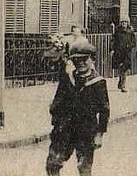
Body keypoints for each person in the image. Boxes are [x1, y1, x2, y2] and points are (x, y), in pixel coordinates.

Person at [46, 40, 109, 176]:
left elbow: (104, 110)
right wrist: (55, 115)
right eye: (76, 60)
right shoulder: (68, 78)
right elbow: (59, 99)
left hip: (86, 130)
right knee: (53, 163)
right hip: (65, 129)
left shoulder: (98, 82)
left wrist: (99, 134)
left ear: (92, 59)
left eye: (84, 59)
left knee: (84, 167)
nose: (80, 63)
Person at [111, 17, 136, 92]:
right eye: (122, 22)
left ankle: (123, 86)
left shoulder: (130, 32)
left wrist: (129, 45)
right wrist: (112, 49)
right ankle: (120, 79)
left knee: (125, 69)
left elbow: (133, 42)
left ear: (128, 23)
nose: (124, 23)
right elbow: (113, 41)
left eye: (125, 22)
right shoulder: (117, 32)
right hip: (118, 52)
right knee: (120, 68)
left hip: (126, 53)